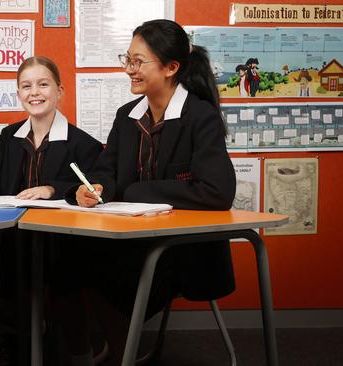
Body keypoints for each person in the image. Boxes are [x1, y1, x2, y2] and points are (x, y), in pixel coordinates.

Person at [56, 19, 237, 366]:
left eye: (138, 62)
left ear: (171, 68)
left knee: (100, 272)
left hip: (184, 250)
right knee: (66, 263)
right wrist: (93, 188)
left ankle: (125, 352)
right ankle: (113, 354)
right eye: (128, 58)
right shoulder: (127, 116)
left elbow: (217, 192)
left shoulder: (200, 117)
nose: (129, 69)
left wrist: (138, 191)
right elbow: (106, 170)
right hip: (133, 240)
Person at [0, 56, 103, 364]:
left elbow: (93, 188)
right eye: (26, 86)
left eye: (43, 84)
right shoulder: (9, 136)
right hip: (12, 237)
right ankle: (4, 343)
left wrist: (52, 189)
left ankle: (81, 352)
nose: (34, 92)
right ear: (18, 93)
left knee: (66, 280)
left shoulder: (85, 144)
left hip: (62, 240)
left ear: (60, 90)